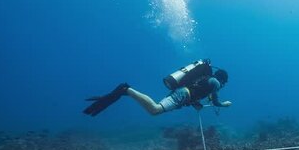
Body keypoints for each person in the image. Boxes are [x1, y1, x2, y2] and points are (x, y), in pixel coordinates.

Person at [83, 60, 232, 116]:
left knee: (155, 109)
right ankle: (126, 89)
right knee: (155, 110)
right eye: (224, 82)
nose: (222, 85)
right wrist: (224, 105)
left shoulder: (207, 79)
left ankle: (126, 91)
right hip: (181, 95)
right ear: (222, 79)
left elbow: (196, 91)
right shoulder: (216, 83)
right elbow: (215, 101)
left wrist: (196, 104)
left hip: (182, 94)